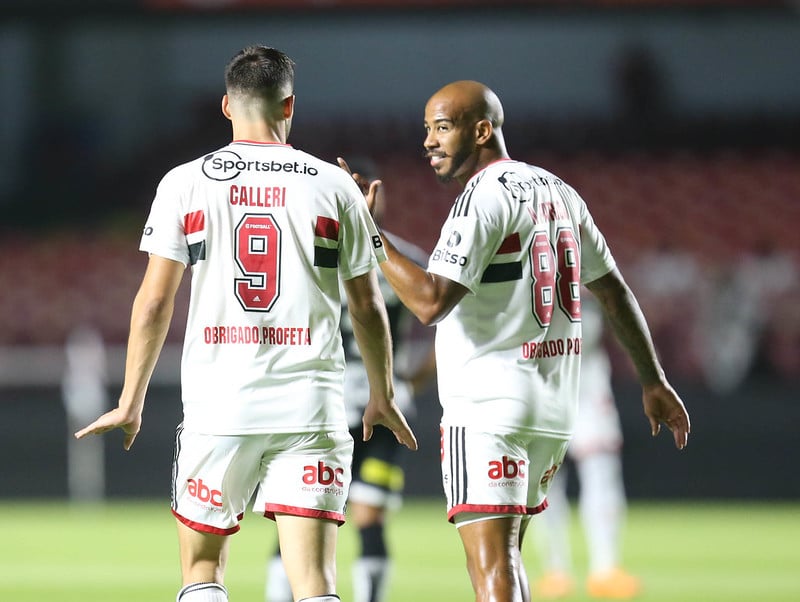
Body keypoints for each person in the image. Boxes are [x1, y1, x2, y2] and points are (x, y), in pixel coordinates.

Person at [74, 45, 417, 602]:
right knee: (315, 583)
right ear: (290, 107)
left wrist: (131, 398)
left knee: (203, 572)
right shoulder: (334, 186)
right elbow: (367, 305)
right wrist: (380, 392)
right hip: (311, 405)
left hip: (219, 407)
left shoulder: (185, 183)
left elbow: (155, 301)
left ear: (227, 107)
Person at [350, 80, 690, 602]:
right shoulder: (560, 192)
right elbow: (614, 291)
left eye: (442, 127)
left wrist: (368, 233)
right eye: (426, 130)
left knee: (490, 565)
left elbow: (429, 302)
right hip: (551, 412)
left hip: (489, 409)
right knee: (508, 557)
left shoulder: (481, 198)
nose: (429, 142)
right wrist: (653, 378)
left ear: (482, 129)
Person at [266, 158, 437, 602]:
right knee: (368, 517)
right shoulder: (406, 260)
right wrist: (408, 382)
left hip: (318, 403)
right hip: (374, 404)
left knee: (298, 516)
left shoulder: (302, 254)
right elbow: (446, 328)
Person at [531, 293, 641, 600]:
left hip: (586, 385)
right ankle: (556, 570)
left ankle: (605, 569)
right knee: (544, 483)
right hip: (543, 385)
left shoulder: (578, 256)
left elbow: (605, 304)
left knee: (602, 477)